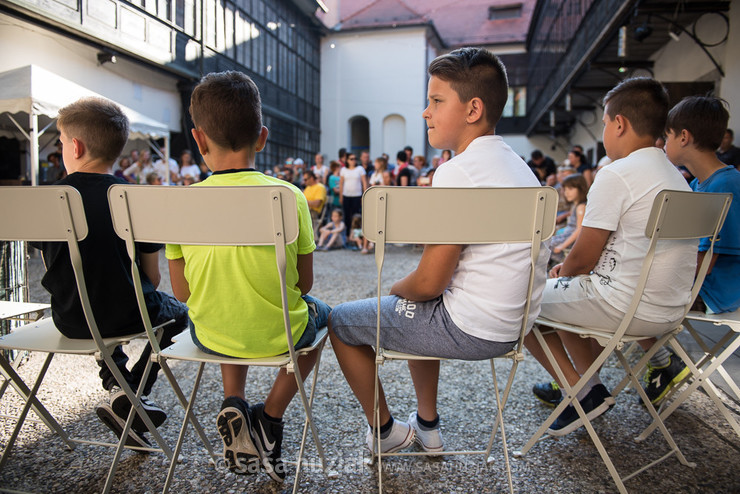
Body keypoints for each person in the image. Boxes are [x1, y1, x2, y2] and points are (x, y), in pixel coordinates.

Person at [329, 47, 548, 455]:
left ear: (473, 109)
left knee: (342, 322)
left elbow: (428, 283)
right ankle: (427, 425)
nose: (425, 112)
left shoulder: (456, 171)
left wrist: (397, 287)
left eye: (436, 100)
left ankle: (385, 434)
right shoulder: (519, 167)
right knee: (415, 313)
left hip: (472, 326)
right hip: (515, 326)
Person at [166, 71, 331, 481]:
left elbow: (183, 291)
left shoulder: (181, 205)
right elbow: (302, 286)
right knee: (328, 317)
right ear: (262, 136)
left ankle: (233, 400)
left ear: (198, 139)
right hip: (281, 333)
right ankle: (269, 418)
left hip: (210, 334)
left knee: (222, 301)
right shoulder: (289, 196)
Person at [525, 78, 696, 435]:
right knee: (568, 294)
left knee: (519, 301)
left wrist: (561, 271)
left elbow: (584, 258)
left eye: (604, 123)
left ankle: (584, 391)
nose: (604, 131)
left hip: (624, 307)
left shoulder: (618, 174)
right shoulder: (678, 178)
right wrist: (568, 274)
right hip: (670, 310)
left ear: (619, 124)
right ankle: (589, 386)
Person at [35, 97, 188, 449]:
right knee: (178, 317)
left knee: (94, 306)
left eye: (60, 141)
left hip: (71, 318)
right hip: (129, 314)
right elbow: (153, 279)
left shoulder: (44, 198)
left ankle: (122, 391)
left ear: (75, 145)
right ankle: (135, 394)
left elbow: (51, 268)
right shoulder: (133, 198)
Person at [548, 174, 588, 266]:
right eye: (565, 189)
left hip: (571, 240)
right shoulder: (574, 205)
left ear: (580, 189)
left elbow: (579, 229)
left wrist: (562, 246)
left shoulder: (581, 207)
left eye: (570, 189)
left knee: (546, 246)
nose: (567, 193)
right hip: (566, 235)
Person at [339, 152, 367, 236]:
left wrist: (364, 196)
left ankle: (356, 236)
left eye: (355, 159)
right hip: (346, 196)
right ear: (347, 160)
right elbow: (341, 183)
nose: (353, 161)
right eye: (351, 159)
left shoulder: (360, 169)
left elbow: (364, 183)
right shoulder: (343, 170)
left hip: (357, 196)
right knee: (347, 216)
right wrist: (341, 196)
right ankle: (347, 236)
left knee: (356, 216)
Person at [302, 169, 327, 236]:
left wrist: (303, 202)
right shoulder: (308, 187)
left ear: (312, 178)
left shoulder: (320, 187)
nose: (304, 182)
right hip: (307, 210)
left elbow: (317, 204)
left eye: (305, 179)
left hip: (314, 212)